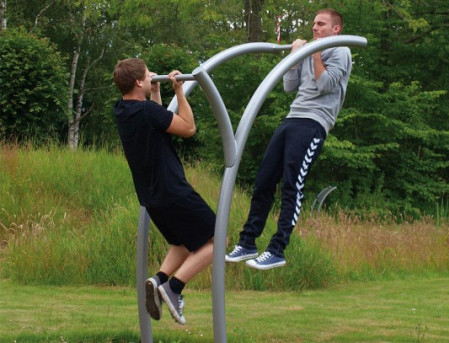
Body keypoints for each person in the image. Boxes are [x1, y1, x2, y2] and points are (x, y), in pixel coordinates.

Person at [226, 9, 352, 270]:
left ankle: (277, 249)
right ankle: (248, 241)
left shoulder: (340, 51)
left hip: (315, 122)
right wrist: (295, 59)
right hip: (292, 118)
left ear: (336, 29)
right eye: (314, 23)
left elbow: (325, 85)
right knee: (263, 181)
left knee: (292, 184)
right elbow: (289, 86)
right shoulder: (309, 51)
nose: (314, 28)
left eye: (321, 24)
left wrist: (315, 52)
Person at [113, 58, 215, 324]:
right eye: (147, 75)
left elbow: (157, 125)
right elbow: (188, 128)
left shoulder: (123, 111)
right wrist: (179, 91)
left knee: (181, 244)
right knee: (217, 240)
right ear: (138, 81)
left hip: (151, 196)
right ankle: (174, 288)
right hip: (173, 190)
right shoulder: (147, 112)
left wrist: (156, 91)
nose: (151, 77)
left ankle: (157, 280)